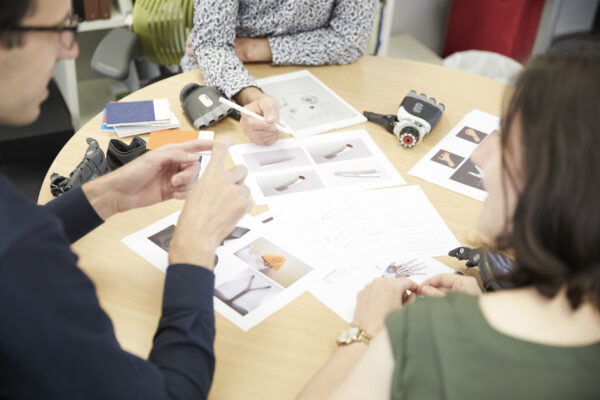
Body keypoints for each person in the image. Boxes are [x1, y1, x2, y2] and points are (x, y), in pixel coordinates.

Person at [298, 40, 600, 399]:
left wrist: (365, 330)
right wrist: (488, 303)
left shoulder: (423, 337)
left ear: (560, 183)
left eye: (507, 139)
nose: (479, 154)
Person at [0, 0, 250, 398]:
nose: (71, 49)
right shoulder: (21, 258)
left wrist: (109, 194)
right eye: (57, 29)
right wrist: (193, 249)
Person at [182, 0, 378, 146]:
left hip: (315, 76)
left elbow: (350, 40)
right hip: (222, 77)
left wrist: (253, 49)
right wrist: (250, 96)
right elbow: (211, 45)